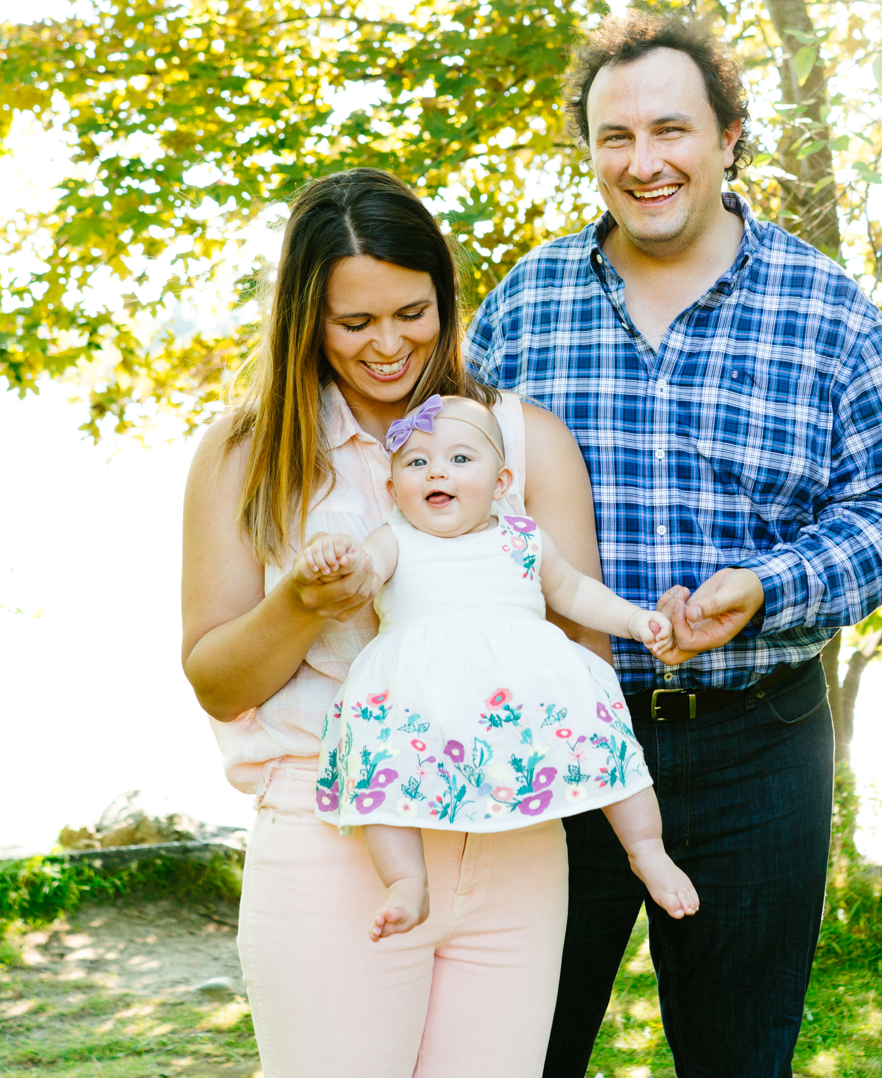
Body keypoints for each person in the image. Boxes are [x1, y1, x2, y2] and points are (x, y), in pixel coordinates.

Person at [466, 12, 882, 1078]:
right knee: (508, 1051)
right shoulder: (520, 311)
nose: (644, 163)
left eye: (671, 130)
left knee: (737, 1059)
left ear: (728, 135)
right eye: (613, 137)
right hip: (556, 745)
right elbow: (437, 494)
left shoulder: (822, 307)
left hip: (754, 744)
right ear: (586, 149)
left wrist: (771, 586)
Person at [180, 168, 606, 1077]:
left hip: (515, 835)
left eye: (412, 312)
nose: (388, 346)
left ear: (445, 298)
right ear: (306, 320)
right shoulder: (245, 454)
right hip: (333, 831)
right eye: (353, 322)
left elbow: (584, 656)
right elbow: (215, 680)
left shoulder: (526, 442)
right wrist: (296, 606)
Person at [295, 393, 699, 941]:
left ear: (502, 482)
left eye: (461, 460)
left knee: (606, 745)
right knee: (382, 773)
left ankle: (646, 848)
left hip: (525, 687)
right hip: (418, 693)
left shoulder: (523, 538)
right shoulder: (395, 540)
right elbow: (364, 569)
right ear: (393, 492)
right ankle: (406, 881)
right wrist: (334, 552)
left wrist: (634, 621)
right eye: (417, 463)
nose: (438, 470)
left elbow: (575, 591)